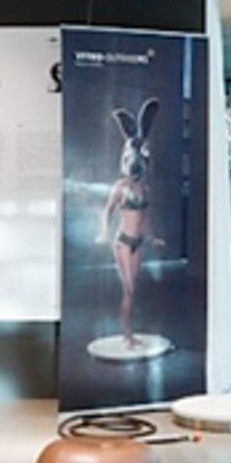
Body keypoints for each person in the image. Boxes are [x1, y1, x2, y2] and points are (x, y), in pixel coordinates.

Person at [99, 99, 161, 348]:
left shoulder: (144, 188)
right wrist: (104, 232)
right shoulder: (120, 187)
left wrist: (152, 237)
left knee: (132, 290)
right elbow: (107, 211)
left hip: (138, 242)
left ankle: (130, 333)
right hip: (124, 242)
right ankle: (126, 335)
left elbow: (146, 217)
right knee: (129, 290)